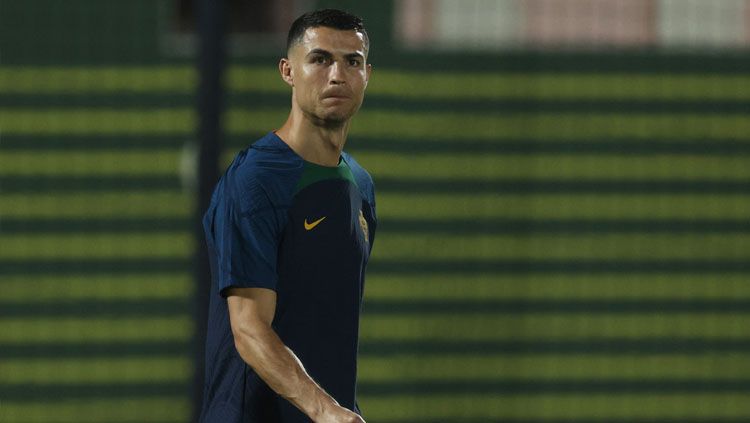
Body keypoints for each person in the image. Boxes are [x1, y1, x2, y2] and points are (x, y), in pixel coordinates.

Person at [199, 9, 375, 423]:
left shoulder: (361, 186)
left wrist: (340, 409)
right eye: (320, 59)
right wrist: (324, 410)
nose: (337, 75)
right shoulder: (254, 181)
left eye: (352, 61)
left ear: (368, 74)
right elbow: (248, 329)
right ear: (287, 71)